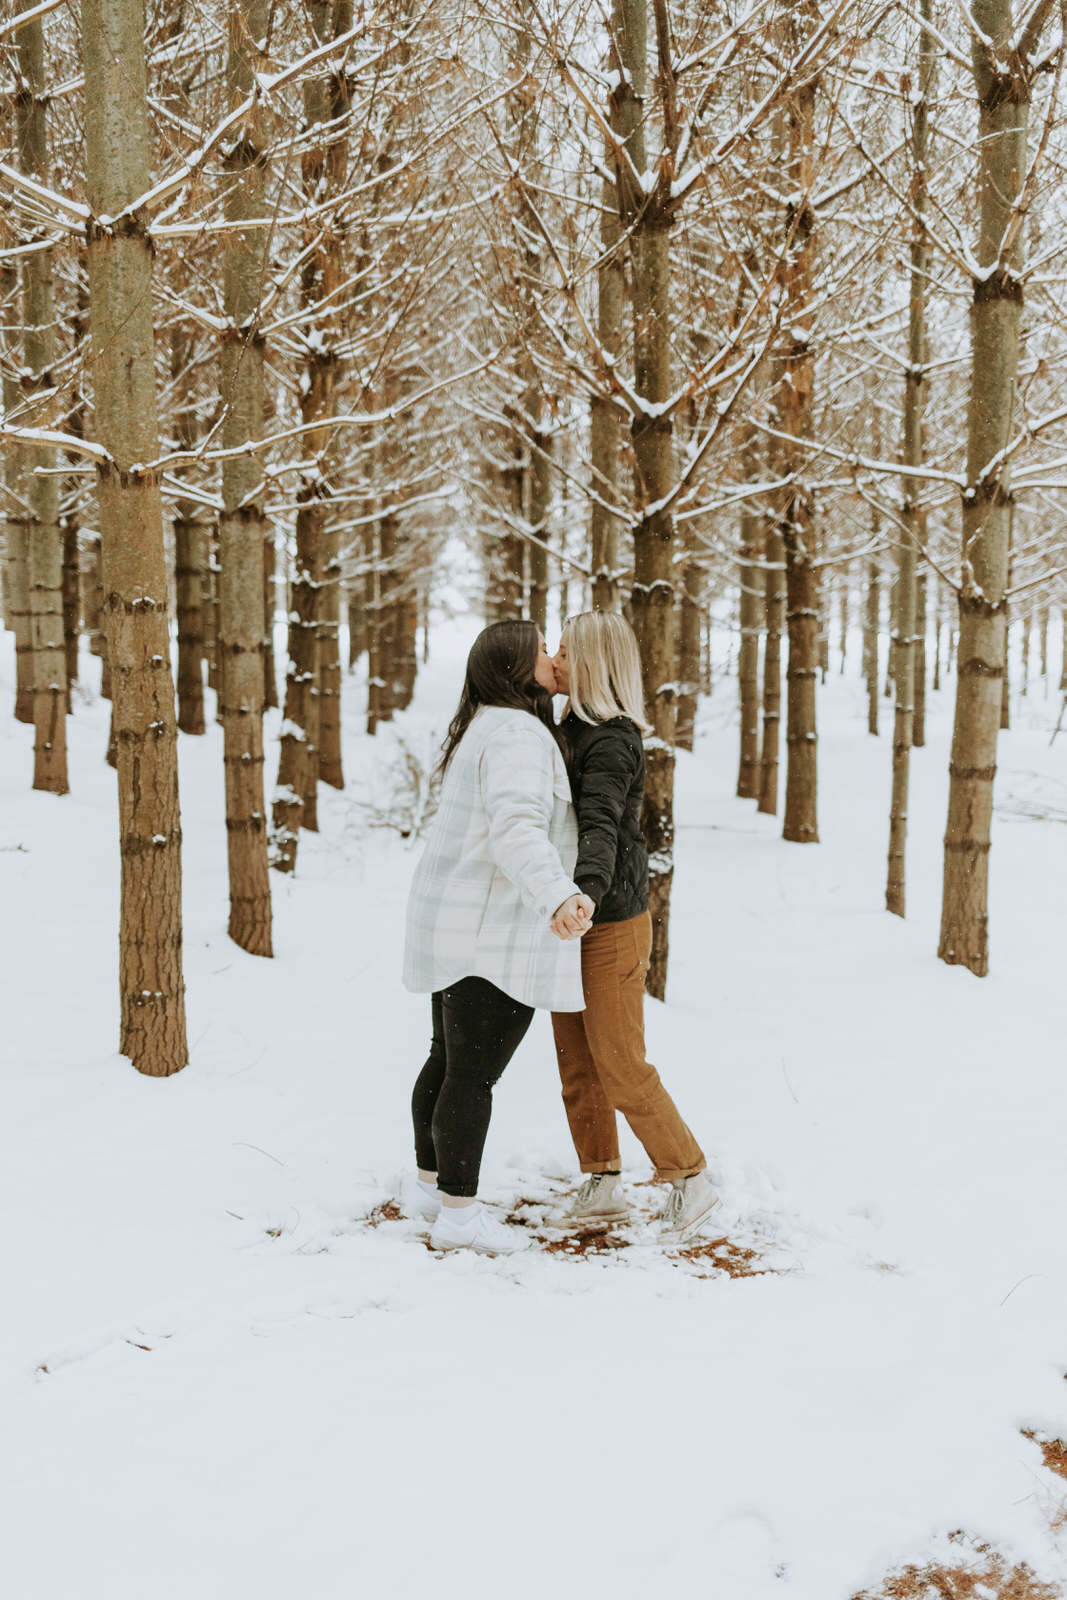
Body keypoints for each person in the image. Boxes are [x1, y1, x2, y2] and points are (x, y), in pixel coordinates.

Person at [402, 620, 595, 1256]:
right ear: (516, 666)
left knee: (448, 1061)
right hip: (489, 931)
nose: (549, 657)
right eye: (541, 648)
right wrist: (559, 895)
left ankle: (430, 1191)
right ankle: (458, 1216)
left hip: (454, 921)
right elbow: (518, 830)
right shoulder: (516, 733)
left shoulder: (484, 722)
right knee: (472, 1076)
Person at [547, 611, 719, 1241]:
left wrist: (583, 895)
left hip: (608, 920)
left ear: (593, 664)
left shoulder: (613, 738)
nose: (555, 661)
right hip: (571, 916)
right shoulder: (566, 726)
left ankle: (691, 1176)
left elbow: (599, 828)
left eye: (565, 653)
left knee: (619, 1062)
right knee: (577, 1061)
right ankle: (601, 1181)